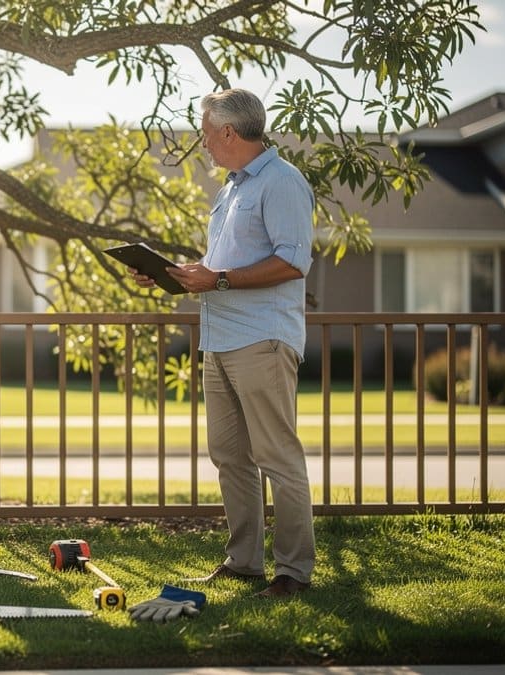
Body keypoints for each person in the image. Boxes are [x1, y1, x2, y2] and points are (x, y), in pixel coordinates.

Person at [130, 88, 316, 597]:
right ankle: (244, 562)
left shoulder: (282, 181)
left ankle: (294, 573)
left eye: (206, 132)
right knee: (230, 456)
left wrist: (218, 280)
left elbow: (291, 262)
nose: (203, 142)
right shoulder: (231, 189)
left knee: (277, 456)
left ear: (229, 132)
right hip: (221, 340)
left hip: (263, 340)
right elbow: (224, 266)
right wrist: (177, 274)